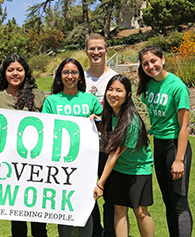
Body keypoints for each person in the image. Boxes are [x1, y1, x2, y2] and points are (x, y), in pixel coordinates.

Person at [42, 57, 102, 237]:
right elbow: (46, 129)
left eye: (74, 72)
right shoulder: (51, 101)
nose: (70, 76)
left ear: (80, 76)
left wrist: (95, 119)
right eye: (66, 72)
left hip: (86, 163)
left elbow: (102, 122)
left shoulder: (90, 99)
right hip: (60, 163)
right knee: (64, 205)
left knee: (86, 205)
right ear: (60, 76)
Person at [0, 54, 47, 237]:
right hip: (8, 168)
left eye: (19, 69)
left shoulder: (38, 96)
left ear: (25, 72)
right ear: (4, 73)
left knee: (39, 221)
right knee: (17, 221)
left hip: (35, 166)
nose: (15, 73)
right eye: (10, 69)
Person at [137, 45, 193, 237]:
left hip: (175, 146)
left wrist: (179, 159)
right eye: (145, 63)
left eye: (153, 61)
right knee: (168, 200)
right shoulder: (149, 84)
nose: (150, 66)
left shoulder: (177, 86)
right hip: (159, 145)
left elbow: (184, 126)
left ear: (163, 59)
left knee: (179, 201)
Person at [93, 74, 154, 237]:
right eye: (110, 90)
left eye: (119, 90)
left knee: (140, 211)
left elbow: (114, 154)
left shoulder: (131, 121)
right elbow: (108, 132)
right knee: (119, 208)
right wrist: (96, 121)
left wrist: (100, 184)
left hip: (137, 170)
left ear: (128, 94)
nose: (113, 94)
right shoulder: (110, 113)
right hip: (120, 168)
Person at [84, 33, 117, 237]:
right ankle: (95, 231)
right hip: (86, 147)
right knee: (88, 191)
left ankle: (111, 232)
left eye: (99, 48)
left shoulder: (113, 77)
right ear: (86, 51)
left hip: (109, 144)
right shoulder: (80, 78)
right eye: (91, 48)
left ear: (106, 50)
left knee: (111, 192)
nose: (96, 52)